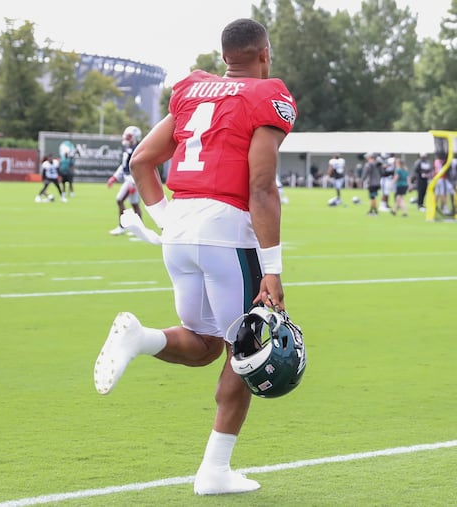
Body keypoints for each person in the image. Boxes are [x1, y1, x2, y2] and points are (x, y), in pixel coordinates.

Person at [93, 18, 297, 496]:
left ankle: (140, 339)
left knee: (205, 345)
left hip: (180, 232)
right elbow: (262, 188)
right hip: (226, 232)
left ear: (225, 55)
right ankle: (214, 472)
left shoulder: (192, 89)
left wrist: (168, 221)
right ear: (264, 54)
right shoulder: (268, 94)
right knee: (248, 352)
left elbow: (142, 160)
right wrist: (273, 271)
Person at [107, 125, 143, 235]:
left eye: (129, 136)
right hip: (129, 179)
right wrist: (115, 177)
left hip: (132, 180)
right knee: (135, 204)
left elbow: (139, 167)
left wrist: (133, 182)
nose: (127, 138)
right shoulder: (128, 149)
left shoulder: (137, 150)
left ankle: (122, 226)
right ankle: (139, 229)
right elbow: (124, 166)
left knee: (120, 200)